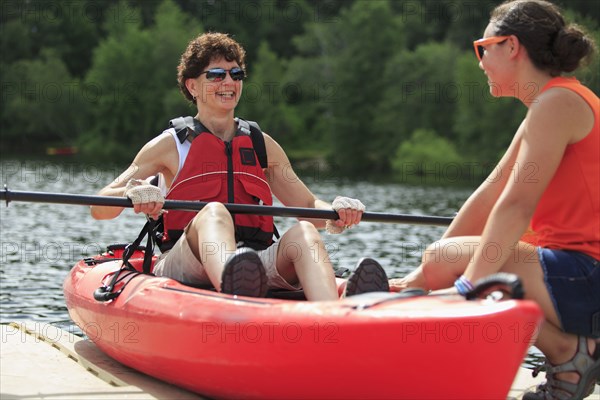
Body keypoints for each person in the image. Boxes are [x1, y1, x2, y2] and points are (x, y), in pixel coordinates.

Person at [389, 1, 599, 398]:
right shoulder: (548, 104)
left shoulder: (557, 103)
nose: (480, 60)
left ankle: (570, 354)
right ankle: (572, 356)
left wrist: (467, 283)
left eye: (482, 47)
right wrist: (426, 274)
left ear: (512, 46)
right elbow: (490, 194)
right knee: (444, 258)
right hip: (576, 276)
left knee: (456, 263)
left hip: (587, 277)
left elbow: (516, 205)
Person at [90, 32, 389, 301]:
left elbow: (307, 204)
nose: (229, 82)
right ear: (192, 85)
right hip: (185, 260)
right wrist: (133, 193)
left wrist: (336, 211)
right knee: (214, 211)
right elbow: (100, 206)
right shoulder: (168, 145)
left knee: (304, 233)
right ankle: (237, 295)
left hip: (254, 261)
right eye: (217, 74)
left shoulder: (262, 145)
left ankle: (333, 318)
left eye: (236, 74)